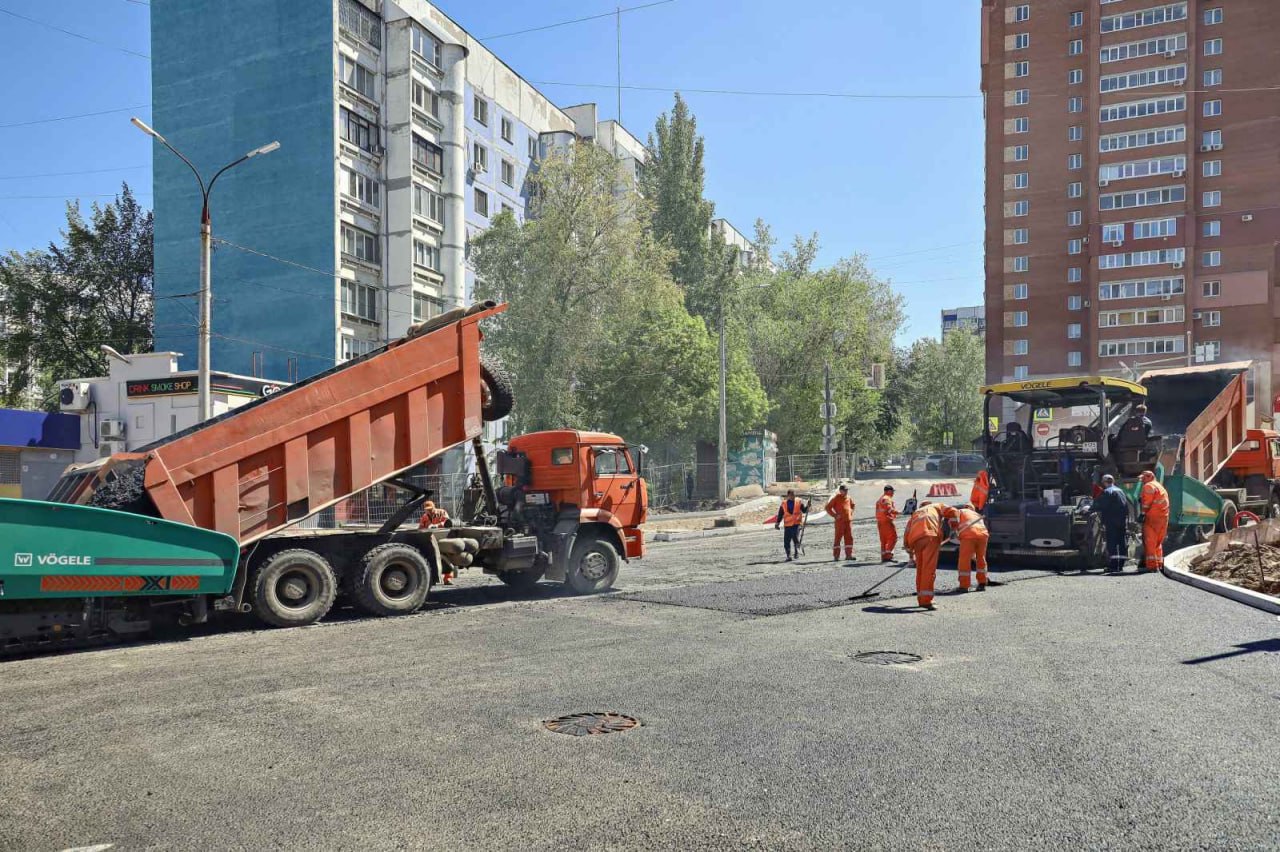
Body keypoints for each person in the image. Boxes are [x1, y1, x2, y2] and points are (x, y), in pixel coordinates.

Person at [904, 500, 947, 610]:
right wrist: (955, 527)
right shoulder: (935, 507)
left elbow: (907, 531)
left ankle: (922, 599)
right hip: (930, 537)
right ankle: (927, 601)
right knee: (928, 570)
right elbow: (953, 512)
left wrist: (909, 550)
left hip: (916, 540)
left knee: (921, 569)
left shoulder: (916, 513)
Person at [943, 502, 989, 591]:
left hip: (968, 536)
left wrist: (953, 531)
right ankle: (982, 583)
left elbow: (953, 520)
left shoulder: (960, 511)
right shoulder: (977, 514)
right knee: (981, 558)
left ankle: (964, 586)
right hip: (983, 535)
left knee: (964, 560)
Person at [1091, 473, 1130, 572]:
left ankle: (1113, 566)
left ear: (1104, 482)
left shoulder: (1107, 492)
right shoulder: (1121, 491)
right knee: (1121, 543)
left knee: (1112, 543)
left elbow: (1102, 505)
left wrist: (1089, 508)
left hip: (1112, 522)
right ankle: (1120, 566)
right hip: (1122, 521)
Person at [1138, 470, 1170, 572]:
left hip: (1152, 517)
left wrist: (1142, 514)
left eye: (1143, 479)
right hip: (1163, 517)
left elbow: (1147, 503)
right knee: (1157, 542)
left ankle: (1152, 566)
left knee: (1150, 542)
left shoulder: (1148, 486)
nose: (1142, 481)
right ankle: (1159, 563)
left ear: (1148, 477)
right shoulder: (1160, 486)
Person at [419, 501, 454, 583]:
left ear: (434, 507)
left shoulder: (442, 512)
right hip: (431, 539)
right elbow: (420, 527)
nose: (429, 511)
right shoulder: (424, 517)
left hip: (444, 537)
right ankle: (433, 578)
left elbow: (448, 522)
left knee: (447, 557)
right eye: (427, 510)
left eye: (431, 509)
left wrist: (437, 525)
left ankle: (447, 578)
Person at [772, 489, 809, 562]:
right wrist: (777, 523)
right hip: (788, 525)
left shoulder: (799, 502)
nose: (793, 496)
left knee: (795, 538)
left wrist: (808, 506)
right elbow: (780, 514)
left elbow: (804, 510)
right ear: (788, 495)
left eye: (794, 495)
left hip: (796, 524)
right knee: (786, 541)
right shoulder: (784, 504)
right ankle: (788, 556)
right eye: (792, 495)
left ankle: (796, 553)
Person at [824, 483, 855, 561]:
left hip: (848, 522)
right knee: (838, 538)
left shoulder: (849, 497)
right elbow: (828, 508)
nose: (846, 492)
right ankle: (836, 556)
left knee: (849, 538)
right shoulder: (836, 498)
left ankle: (849, 555)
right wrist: (834, 515)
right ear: (840, 491)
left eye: (847, 490)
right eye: (844, 490)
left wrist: (851, 511)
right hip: (840, 522)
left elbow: (853, 505)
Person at [875, 485, 899, 562]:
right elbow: (889, 509)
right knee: (893, 537)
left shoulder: (880, 499)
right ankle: (888, 555)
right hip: (887, 522)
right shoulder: (887, 499)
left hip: (880, 522)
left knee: (883, 540)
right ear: (888, 491)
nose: (893, 493)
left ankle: (884, 556)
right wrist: (900, 512)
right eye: (892, 491)